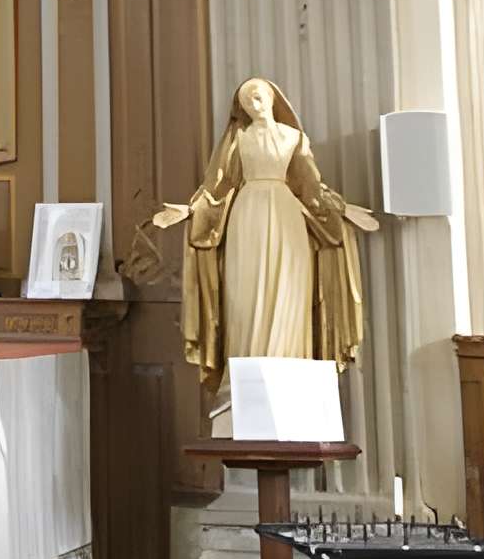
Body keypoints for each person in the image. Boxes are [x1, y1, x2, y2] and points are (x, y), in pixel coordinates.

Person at [154, 77, 377, 390]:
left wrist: (341, 209)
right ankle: (245, 385)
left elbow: (310, 187)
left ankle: (289, 382)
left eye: (258, 98)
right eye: (247, 102)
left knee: (290, 290)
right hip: (246, 221)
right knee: (246, 296)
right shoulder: (238, 141)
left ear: (273, 99)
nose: (253, 106)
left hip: (287, 219)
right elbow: (217, 188)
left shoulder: (294, 138)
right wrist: (189, 211)